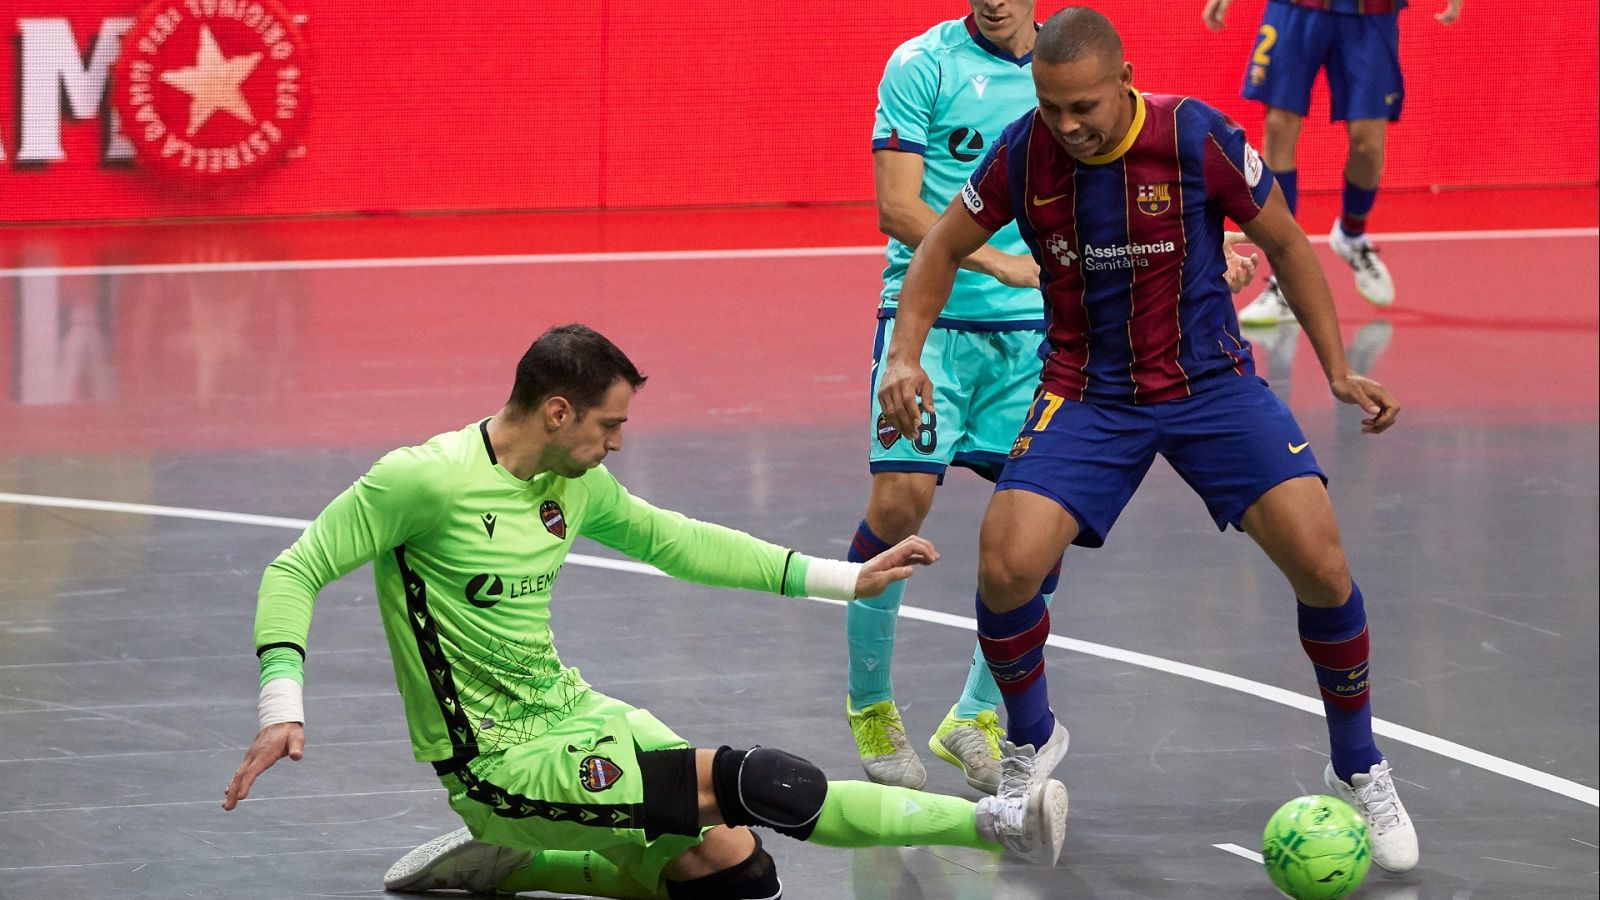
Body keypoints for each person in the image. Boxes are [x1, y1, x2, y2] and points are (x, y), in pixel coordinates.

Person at [221, 324, 1069, 899]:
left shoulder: (574, 483)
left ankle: (517, 868)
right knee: (759, 781)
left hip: (575, 715)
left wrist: (847, 579)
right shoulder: (422, 481)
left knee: (736, 875)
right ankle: (999, 823)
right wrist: (280, 704)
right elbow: (297, 569)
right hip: (495, 761)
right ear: (558, 411)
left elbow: (683, 543)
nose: (619, 442)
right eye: (610, 424)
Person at [877, 7, 1419, 876]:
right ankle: (1030, 743)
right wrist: (905, 355)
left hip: (1210, 385)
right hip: (1088, 393)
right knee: (1005, 561)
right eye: (1053, 107)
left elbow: (1283, 240)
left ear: (1124, 80)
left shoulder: (1196, 135)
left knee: (1321, 562)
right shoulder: (1027, 152)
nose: (1069, 125)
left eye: (1083, 106)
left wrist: (1334, 370)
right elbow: (940, 246)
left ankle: (1358, 759)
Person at [852, 0, 1259, 796]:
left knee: (1036, 531)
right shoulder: (922, 65)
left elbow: (1135, 184)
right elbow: (899, 210)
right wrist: (1000, 265)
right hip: (936, 321)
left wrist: (1205, 245)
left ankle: (973, 715)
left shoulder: (1076, 72)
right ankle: (870, 706)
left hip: (1046, 339)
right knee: (899, 503)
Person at [1202, 0, 1464, 323]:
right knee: (1279, 124)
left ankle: (1351, 235)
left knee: (1368, 142)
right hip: (1297, 8)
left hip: (1370, 11)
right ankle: (1285, 281)